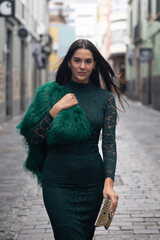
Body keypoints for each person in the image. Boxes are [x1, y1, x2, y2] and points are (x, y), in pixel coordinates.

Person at [17, 39, 121, 240]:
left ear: (95, 64)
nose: (82, 66)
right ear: (69, 62)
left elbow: (109, 144)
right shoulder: (51, 93)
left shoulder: (105, 98)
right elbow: (34, 138)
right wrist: (55, 110)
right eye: (77, 60)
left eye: (88, 61)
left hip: (92, 184)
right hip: (58, 184)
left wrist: (109, 183)